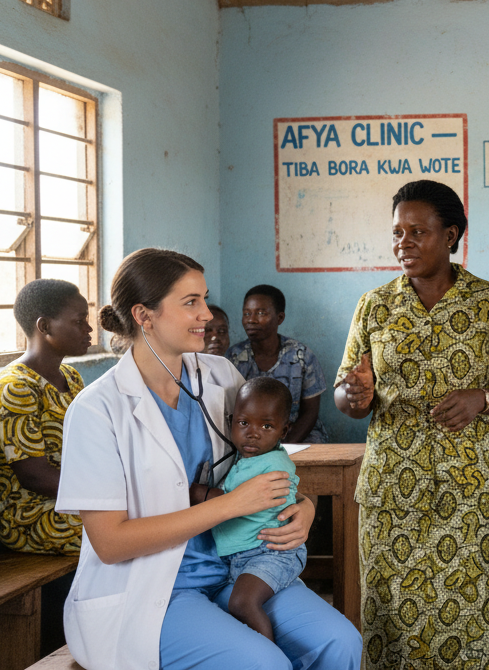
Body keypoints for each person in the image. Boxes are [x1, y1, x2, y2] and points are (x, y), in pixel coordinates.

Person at [56, 247, 360, 670]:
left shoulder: (220, 377)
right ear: (144, 315)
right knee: (263, 664)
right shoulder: (97, 410)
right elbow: (110, 544)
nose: (205, 314)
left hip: (236, 567)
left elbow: (263, 464)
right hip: (153, 588)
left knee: (340, 642)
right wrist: (230, 505)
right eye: (190, 302)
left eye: (204, 298)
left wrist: (304, 507)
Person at [334, 180, 489, 669]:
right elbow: (347, 392)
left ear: (450, 235)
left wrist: (482, 399)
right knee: (393, 617)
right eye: (397, 232)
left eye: (418, 232)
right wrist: (355, 394)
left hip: (472, 492)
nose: (403, 243)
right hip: (393, 490)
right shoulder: (374, 305)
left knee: (476, 613)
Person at [0, 279, 91, 655]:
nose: (89, 330)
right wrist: (108, 495)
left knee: (145, 517)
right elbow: (35, 475)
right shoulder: (14, 388)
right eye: (79, 320)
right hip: (29, 513)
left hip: (71, 501)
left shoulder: (70, 378)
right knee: (127, 528)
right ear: (44, 326)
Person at [196, 377, 306, 642]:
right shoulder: (248, 456)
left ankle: (268, 656)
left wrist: (195, 492)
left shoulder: (273, 464)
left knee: (242, 603)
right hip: (245, 553)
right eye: (244, 423)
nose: (253, 433)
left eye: (266, 426)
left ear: (284, 431)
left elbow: (234, 502)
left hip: (271, 553)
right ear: (231, 421)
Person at [228, 285, 329, 443]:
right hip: (250, 435)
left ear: (280, 318)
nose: (251, 320)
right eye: (246, 313)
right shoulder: (234, 357)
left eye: (261, 313)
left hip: (295, 434)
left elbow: (310, 412)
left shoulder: (301, 355)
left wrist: (286, 447)